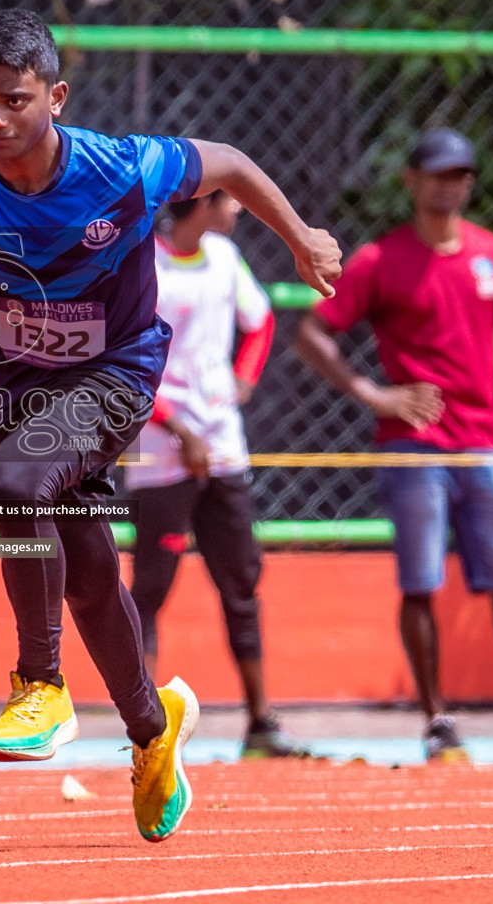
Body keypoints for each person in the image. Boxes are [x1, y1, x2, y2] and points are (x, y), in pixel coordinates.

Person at [0, 8, 341, 840]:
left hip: (116, 376)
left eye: (13, 101)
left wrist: (303, 237)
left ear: (56, 97)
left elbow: (233, 165)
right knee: (91, 575)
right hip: (14, 391)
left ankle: (40, 684)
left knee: (16, 483)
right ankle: (150, 730)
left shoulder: (123, 169)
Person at [294, 127, 493, 762]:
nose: (451, 185)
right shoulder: (380, 260)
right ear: (411, 181)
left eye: (461, 175)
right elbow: (313, 333)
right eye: (439, 174)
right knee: (420, 583)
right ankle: (436, 719)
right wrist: (374, 394)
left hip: (484, 445)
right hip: (412, 447)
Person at [125, 190, 304, 759]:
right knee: (152, 585)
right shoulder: (142, 265)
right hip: (159, 451)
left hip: (223, 448)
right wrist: (179, 429)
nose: (240, 208)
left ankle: (260, 723)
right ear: (202, 204)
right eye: (231, 198)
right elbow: (121, 358)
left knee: (241, 581)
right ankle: (146, 732)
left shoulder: (224, 257)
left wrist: (245, 377)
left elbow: (261, 320)